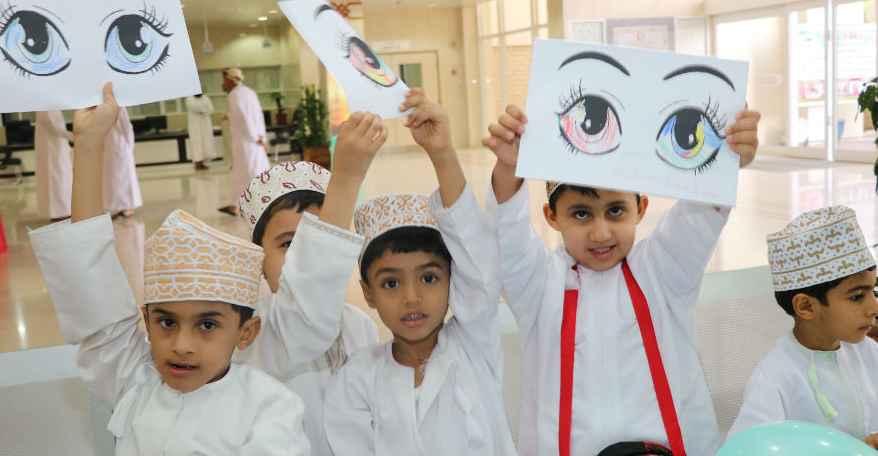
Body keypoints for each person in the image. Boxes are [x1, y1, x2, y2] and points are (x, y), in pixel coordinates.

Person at [28, 83, 309, 455]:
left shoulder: (270, 408)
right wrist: (90, 146)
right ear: (145, 320)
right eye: (166, 322)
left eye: (207, 325)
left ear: (246, 332)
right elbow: (90, 280)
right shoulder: (135, 381)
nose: (181, 346)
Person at [482, 103, 761, 456]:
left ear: (640, 209)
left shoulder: (662, 268)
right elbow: (507, 235)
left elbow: (699, 212)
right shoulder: (539, 283)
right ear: (552, 216)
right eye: (581, 214)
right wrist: (509, 166)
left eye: (616, 211)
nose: (601, 233)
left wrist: (728, 156)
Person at [323, 89, 517, 455]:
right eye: (391, 282)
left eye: (429, 278)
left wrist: (442, 153)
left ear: (452, 280)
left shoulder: (475, 344)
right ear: (368, 293)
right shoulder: (358, 380)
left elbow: (479, 263)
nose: (411, 297)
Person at [234, 111, 386, 455]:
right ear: (257, 258)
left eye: (313, 244)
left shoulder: (360, 326)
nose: (303, 259)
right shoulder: (254, 331)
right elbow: (304, 308)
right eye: (289, 244)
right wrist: (347, 176)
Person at [728, 206, 878, 448]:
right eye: (857, 296)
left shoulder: (869, 353)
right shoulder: (775, 378)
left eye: (872, 290)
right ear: (806, 306)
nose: (874, 308)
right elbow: (748, 448)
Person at [219, 68, 269, 216]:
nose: (222, 84)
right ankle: (233, 205)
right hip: (254, 139)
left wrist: (256, 138)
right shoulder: (249, 92)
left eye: (224, 80)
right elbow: (258, 116)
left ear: (230, 80)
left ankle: (261, 206)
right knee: (244, 172)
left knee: (249, 173)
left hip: (246, 141)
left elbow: (244, 118)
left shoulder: (234, 95)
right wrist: (262, 138)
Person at [103, 107, 142, 218]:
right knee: (115, 178)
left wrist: (130, 147)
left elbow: (128, 128)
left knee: (125, 178)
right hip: (109, 146)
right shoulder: (101, 105)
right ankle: (119, 206)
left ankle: (127, 207)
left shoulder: (119, 106)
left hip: (122, 147)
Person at [34, 110, 72, 221]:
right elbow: (55, 129)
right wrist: (75, 136)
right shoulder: (45, 110)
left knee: (63, 181)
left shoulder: (55, 109)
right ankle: (59, 212)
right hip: (51, 152)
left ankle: (64, 210)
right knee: (56, 182)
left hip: (59, 150)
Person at [185, 93, 217, 170]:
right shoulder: (189, 98)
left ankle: (202, 163)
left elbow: (211, 109)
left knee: (205, 143)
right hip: (195, 125)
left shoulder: (205, 97)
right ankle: (197, 163)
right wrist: (204, 109)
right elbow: (194, 107)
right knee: (197, 144)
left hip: (205, 125)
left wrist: (202, 110)